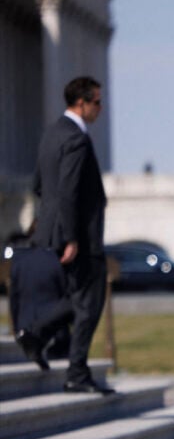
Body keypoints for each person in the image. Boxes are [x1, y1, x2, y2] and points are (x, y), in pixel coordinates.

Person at [31, 76, 113, 394]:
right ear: (81, 102)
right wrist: (71, 237)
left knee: (79, 299)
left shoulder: (51, 134)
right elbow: (68, 191)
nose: (100, 109)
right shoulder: (77, 139)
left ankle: (36, 333)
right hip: (80, 235)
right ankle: (76, 371)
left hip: (56, 231)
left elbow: (39, 185)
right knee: (89, 303)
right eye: (97, 102)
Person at [8, 229, 74, 371]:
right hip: (53, 330)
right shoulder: (56, 260)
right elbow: (66, 296)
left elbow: (14, 298)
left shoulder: (19, 261)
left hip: (24, 324)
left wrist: (15, 326)